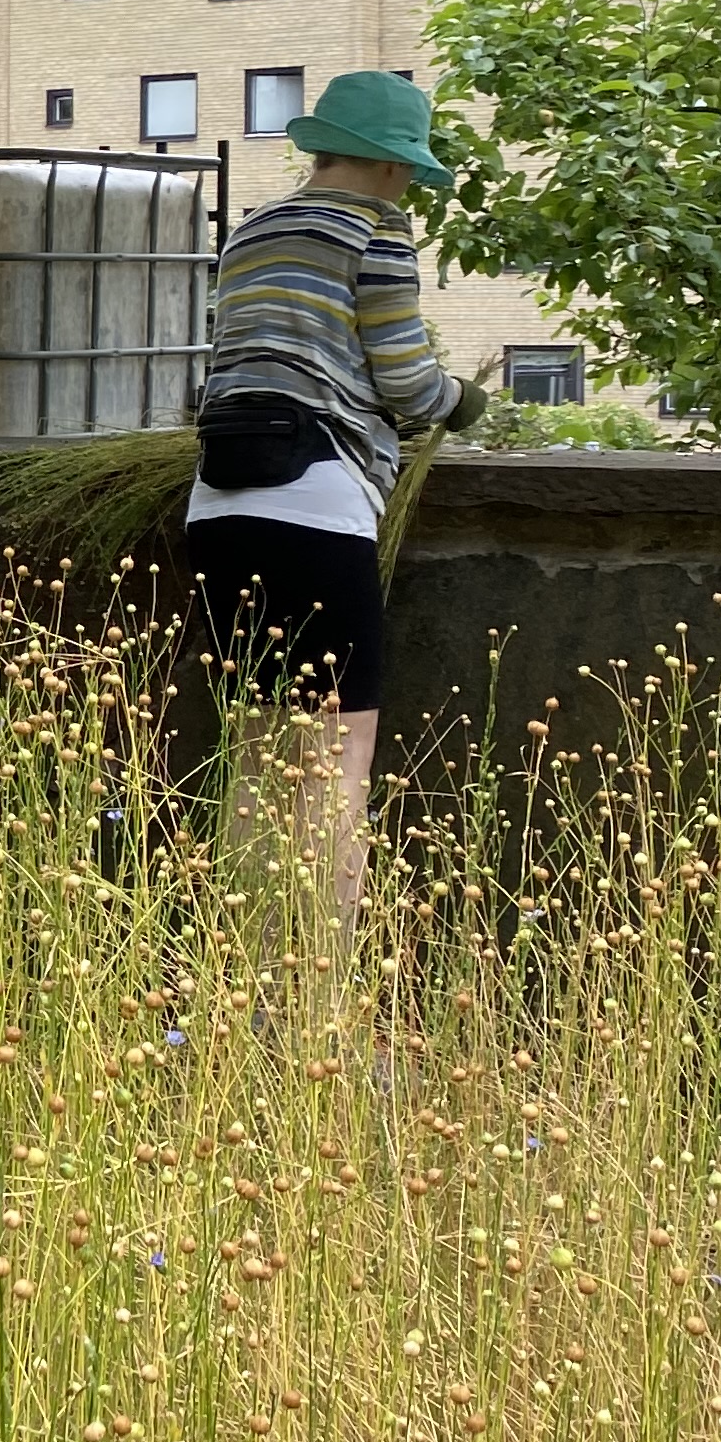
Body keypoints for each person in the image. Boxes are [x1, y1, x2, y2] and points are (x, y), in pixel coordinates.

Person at [180, 69, 485, 925]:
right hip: (317, 507)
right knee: (336, 768)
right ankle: (324, 986)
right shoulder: (375, 232)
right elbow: (407, 380)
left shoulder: (254, 229)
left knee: (257, 761)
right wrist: (461, 401)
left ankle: (242, 967)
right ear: (393, 164)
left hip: (218, 507)